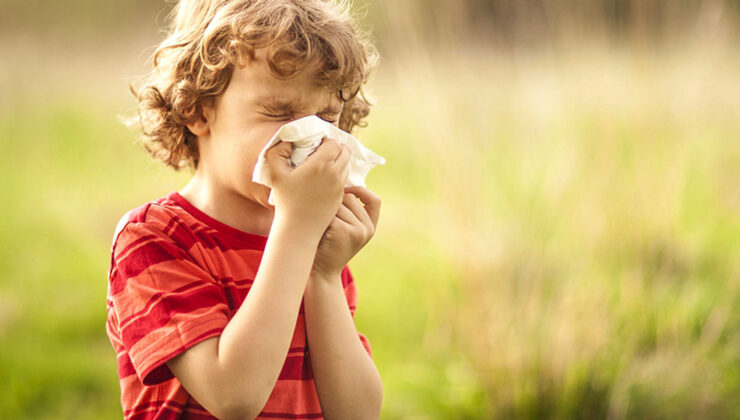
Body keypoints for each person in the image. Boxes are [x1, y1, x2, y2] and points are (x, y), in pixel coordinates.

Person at [105, 0, 383, 418]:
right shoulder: (153, 239)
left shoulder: (315, 245)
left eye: (326, 118)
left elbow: (357, 412)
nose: (308, 139)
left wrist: (323, 277)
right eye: (280, 113)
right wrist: (297, 230)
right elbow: (234, 397)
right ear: (197, 109)